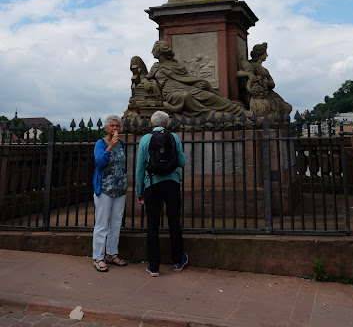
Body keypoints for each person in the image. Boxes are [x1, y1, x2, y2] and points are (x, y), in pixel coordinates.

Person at [136, 110, 187, 276]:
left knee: (152, 225)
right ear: (166, 123)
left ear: (152, 123)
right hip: (171, 184)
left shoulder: (145, 139)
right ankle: (178, 261)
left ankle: (154, 266)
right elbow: (182, 162)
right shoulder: (174, 137)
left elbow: (140, 168)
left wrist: (139, 190)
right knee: (174, 222)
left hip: (152, 184)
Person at [140, 40, 242, 116]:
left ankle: (239, 111)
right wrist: (146, 82)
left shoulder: (176, 65)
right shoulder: (156, 66)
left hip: (185, 87)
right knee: (186, 96)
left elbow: (186, 78)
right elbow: (145, 78)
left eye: (154, 49)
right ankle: (210, 114)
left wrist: (196, 84)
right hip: (170, 92)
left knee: (209, 96)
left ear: (160, 51)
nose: (151, 51)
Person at [92, 115, 128, 272]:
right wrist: (110, 147)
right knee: (102, 224)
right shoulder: (100, 144)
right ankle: (98, 257)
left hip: (120, 189)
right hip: (105, 189)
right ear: (106, 128)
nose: (115, 129)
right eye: (112, 126)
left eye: (117, 126)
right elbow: (99, 162)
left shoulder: (122, 144)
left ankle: (112, 254)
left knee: (116, 223)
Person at [237, 43, 292, 118]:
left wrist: (264, 82)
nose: (267, 55)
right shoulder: (251, 65)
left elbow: (272, 84)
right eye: (265, 53)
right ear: (260, 54)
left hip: (268, 92)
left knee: (287, 107)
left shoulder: (265, 70)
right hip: (260, 94)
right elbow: (238, 73)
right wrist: (248, 74)